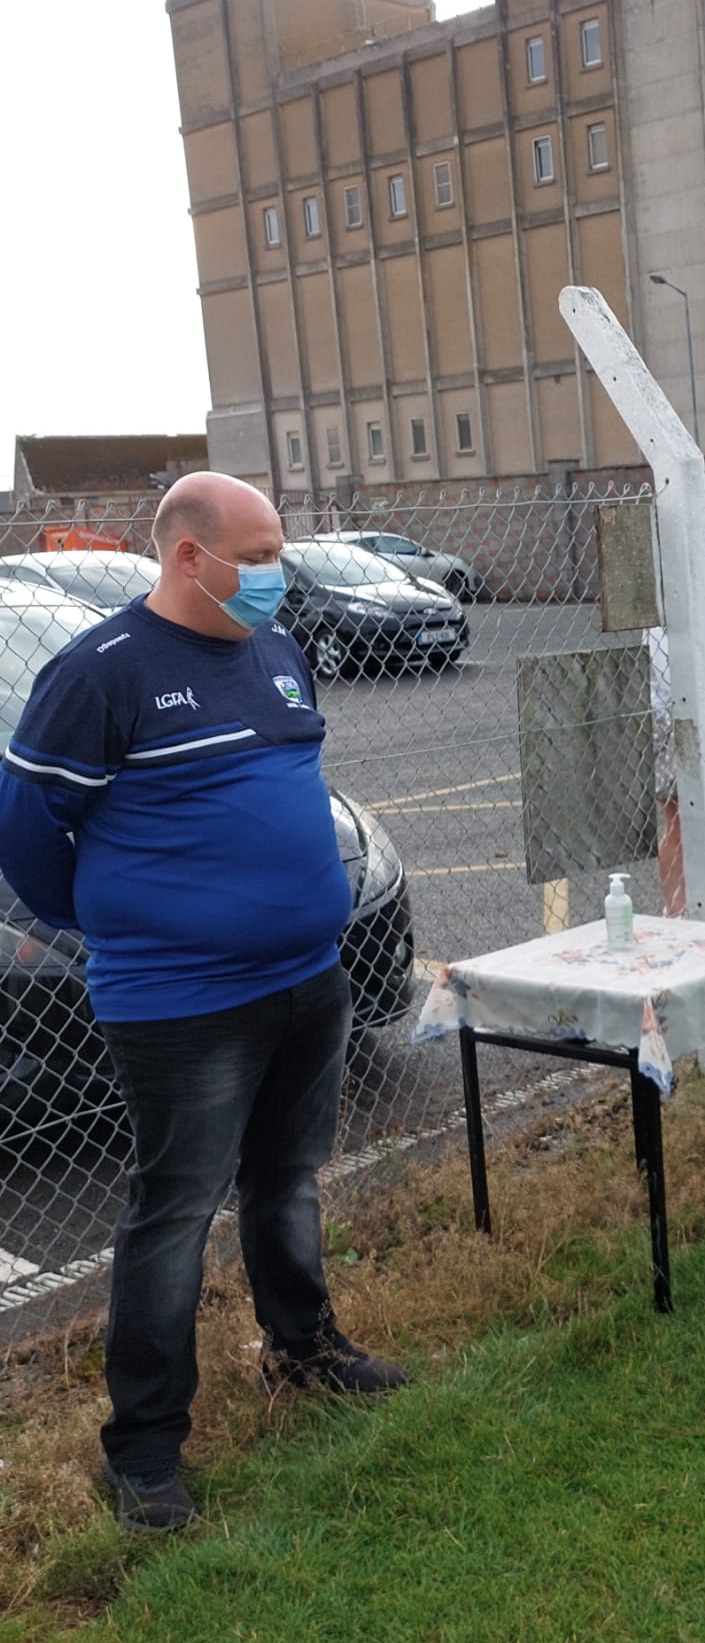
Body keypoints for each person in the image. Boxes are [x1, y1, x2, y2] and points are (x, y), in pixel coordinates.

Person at [0, 473, 408, 1533]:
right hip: (180, 1004)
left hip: (304, 981)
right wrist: (138, 920)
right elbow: (32, 838)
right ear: (189, 555)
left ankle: (304, 1347)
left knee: (287, 1179)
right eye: (260, 551)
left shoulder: (273, 650)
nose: (278, 569)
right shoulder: (101, 673)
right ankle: (143, 1450)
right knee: (173, 1214)